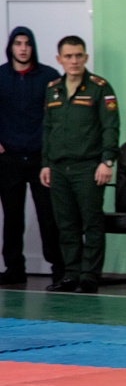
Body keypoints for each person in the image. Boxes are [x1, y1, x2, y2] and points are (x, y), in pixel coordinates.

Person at [41, 35, 119, 294]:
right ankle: (71, 274)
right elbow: (47, 129)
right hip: (58, 168)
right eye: (68, 56)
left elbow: (110, 127)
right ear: (59, 59)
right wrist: (45, 163)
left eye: (78, 55)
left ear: (85, 57)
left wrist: (107, 161)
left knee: (91, 223)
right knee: (66, 225)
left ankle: (89, 277)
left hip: (88, 167)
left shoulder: (99, 87)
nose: (74, 61)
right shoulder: (53, 89)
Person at [0, 27, 64, 286]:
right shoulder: (1, 76)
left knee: (49, 217)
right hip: (9, 159)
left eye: (27, 43)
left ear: (33, 46)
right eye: (18, 43)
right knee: (12, 218)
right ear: (11, 47)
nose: (23, 48)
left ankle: (59, 268)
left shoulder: (49, 76)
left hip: (41, 159)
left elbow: (59, 115)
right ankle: (14, 268)